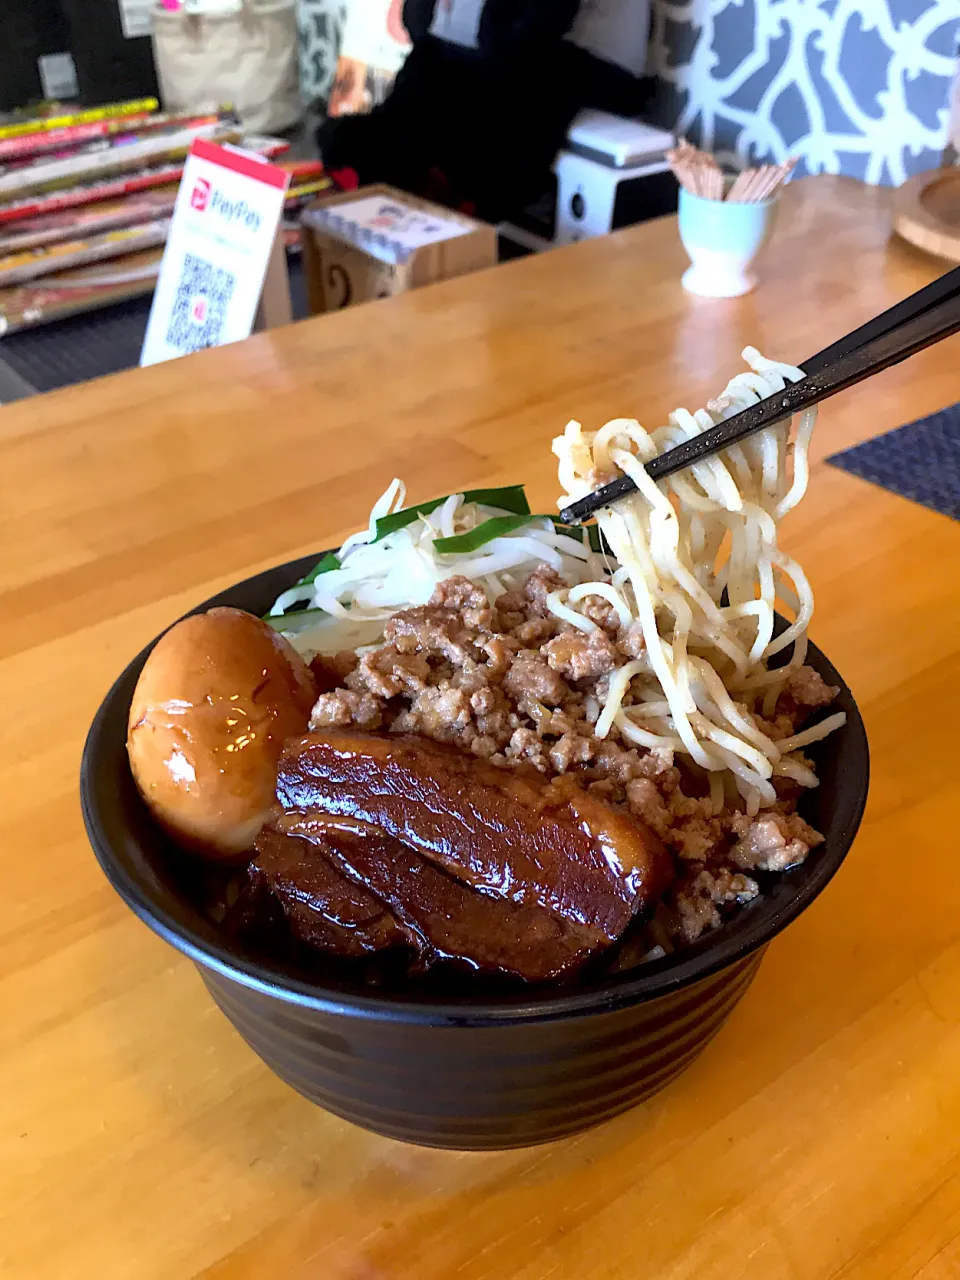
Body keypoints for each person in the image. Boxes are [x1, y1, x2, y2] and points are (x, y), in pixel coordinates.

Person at [319, 0, 653, 222]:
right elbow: (415, 25)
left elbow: (534, 29)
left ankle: (450, 186)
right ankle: (389, 167)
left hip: (578, 53)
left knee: (501, 98)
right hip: (499, 44)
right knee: (428, 74)